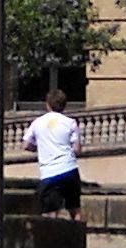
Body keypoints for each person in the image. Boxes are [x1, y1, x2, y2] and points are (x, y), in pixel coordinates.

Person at [21, 89, 83, 222]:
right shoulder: (70, 122)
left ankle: (50, 240)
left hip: (49, 172)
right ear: (64, 105)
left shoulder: (37, 123)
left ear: (47, 104)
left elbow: (25, 145)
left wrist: (40, 148)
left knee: (50, 213)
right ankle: (79, 238)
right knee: (74, 209)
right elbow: (77, 149)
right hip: (69, 169)